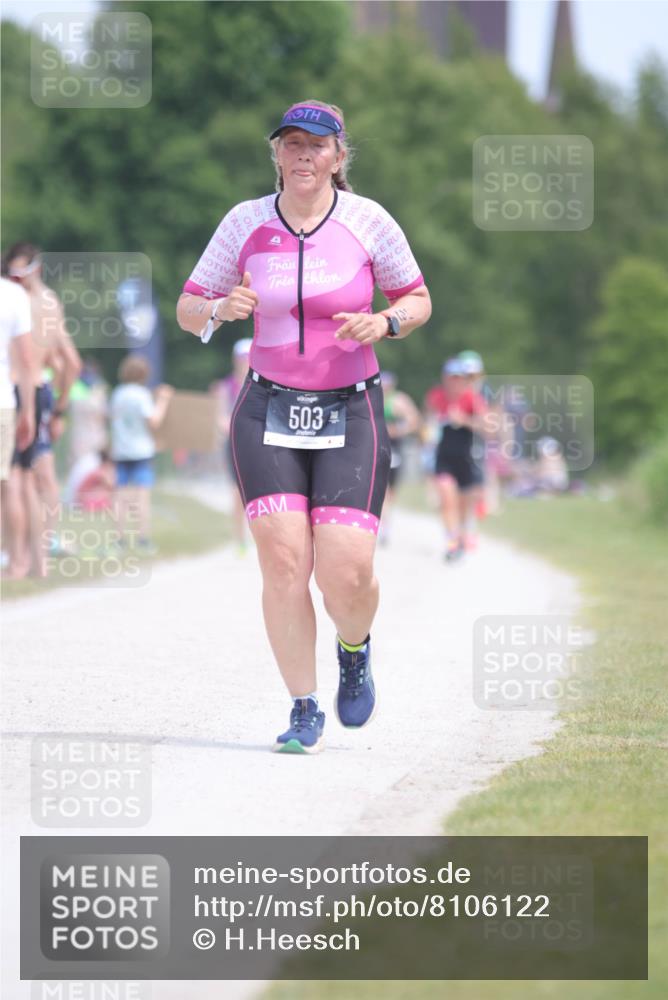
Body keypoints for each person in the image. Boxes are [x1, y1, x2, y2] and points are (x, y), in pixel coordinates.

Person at [177, 99, 431, 754]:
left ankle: (354, 648)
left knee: (345, 572)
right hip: (266, 407)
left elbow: (418, 299)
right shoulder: (244, 223)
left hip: (350, 406)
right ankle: (303, 705)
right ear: (277, 155)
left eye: (317, 146)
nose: (303, 156)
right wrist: (218, 306)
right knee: (286, 562)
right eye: (291, 145)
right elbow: (185, 307)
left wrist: (387, 322)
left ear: (339, 156)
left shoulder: (370, 221)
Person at [3, 243, 82, 575]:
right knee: (41, 478)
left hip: (18, 389)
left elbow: (69, 363)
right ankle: (42, 554)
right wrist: (60, 407)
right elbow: (71, 362)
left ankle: (19, 557)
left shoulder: (15, 299)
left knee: (18, 480)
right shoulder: (48, 301)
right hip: (42, 390)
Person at [109, 355, 173, 553]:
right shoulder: (141, 395)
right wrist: (163, 400)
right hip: (141, 452)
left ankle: (119, 539)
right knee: (141, 496)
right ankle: (142, 539)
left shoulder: (118, 394)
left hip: (121, 450)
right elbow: (153, 421)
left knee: (120, 497)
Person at [424, 357, 487, 562]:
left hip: (466, 459)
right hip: (444, 458)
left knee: (463, 506)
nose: (455, 382)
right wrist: (430, 428)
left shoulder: (471, 398)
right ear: (445, 378)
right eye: (451, 378)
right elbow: (426, 420)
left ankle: (462, 537)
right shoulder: (437, 396)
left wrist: (464, 421)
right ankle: (452, 544)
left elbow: (486, 426)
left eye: (459, 378)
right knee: (446, 499)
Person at [0, 277, 35, 573]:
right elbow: (26, 359)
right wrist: (29, 410)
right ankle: (18, 563)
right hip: (3, 399)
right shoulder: (13, 294)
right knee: (7, 484)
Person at [211, 337, 252, 552]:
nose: (245, 362)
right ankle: (240, 539)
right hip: (234, 442)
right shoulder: (226, 386)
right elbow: (220, 417)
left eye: (248, 358)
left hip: (256, 441)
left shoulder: (260, 384)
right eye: (242, 358)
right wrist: (228, 423)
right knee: (236, 492)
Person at [378, 371, 422, 545]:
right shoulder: (371, 397)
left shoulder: (399, 400)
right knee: (381, 489)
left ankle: (386, 524)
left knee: (391, 491)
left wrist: (398, 430)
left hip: (395, 448)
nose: (384, 388)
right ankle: (382, 526)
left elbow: (414, 420)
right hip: (376, 447)